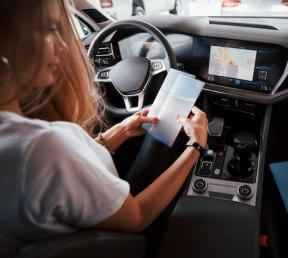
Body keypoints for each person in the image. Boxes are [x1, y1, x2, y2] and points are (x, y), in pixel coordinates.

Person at [0, 0, 208, 255]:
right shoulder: (41, 149)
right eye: (50, 29)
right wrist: (196, 145)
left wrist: (119, 131)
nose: (64, 46)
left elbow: (65, 173)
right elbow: (139, 215)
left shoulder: (23, 142)